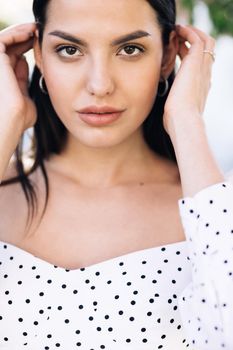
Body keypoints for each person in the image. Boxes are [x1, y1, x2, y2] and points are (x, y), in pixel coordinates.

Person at [0, 0, 232, 349]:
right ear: (39, 56)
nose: (99, 85)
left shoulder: (214, 210)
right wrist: (5, 122)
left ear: (168, 55)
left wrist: (186, 121)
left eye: (129, 49)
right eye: (69, 49)